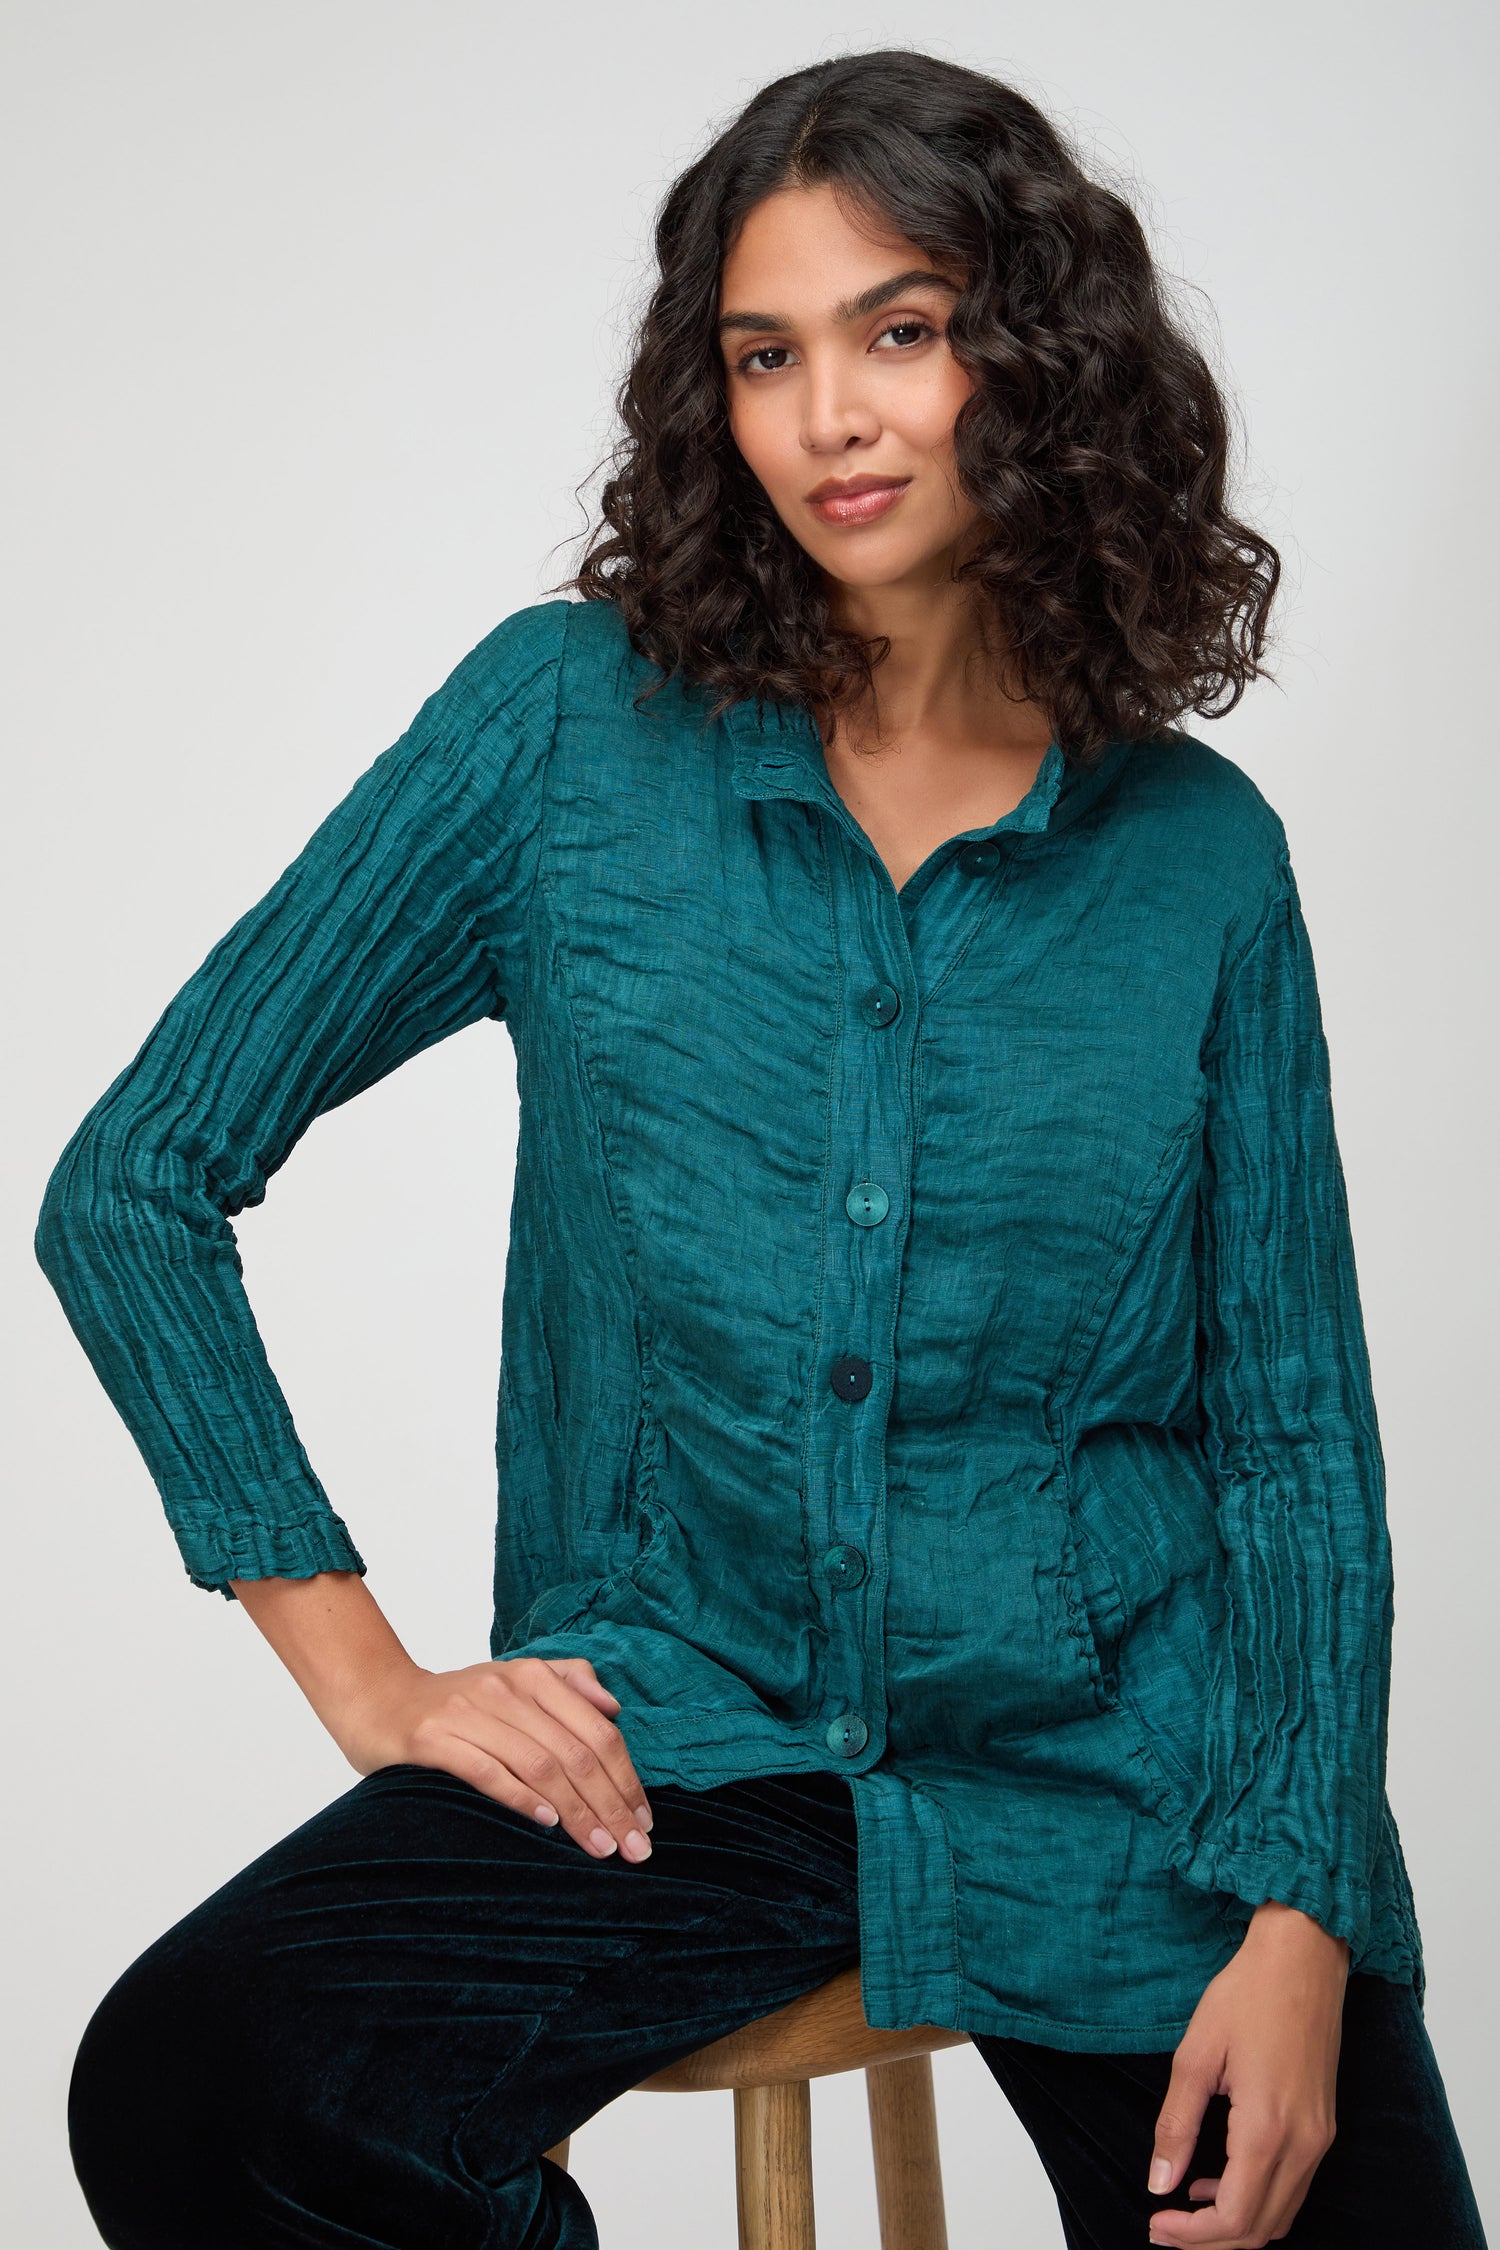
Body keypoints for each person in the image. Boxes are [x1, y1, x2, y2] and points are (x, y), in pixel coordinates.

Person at [34, 47, 1485, 2250]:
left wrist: (1302, 1916)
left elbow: (1290, 1445)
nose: (832, 419)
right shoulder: (561, 732)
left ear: (1042, 357)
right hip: (685, 1747)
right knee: (205, 2084)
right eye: (765, 355)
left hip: (1127, 1783)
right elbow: (134, 1181)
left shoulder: (1201, 860)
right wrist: (374, 1678)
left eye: (901, 330)